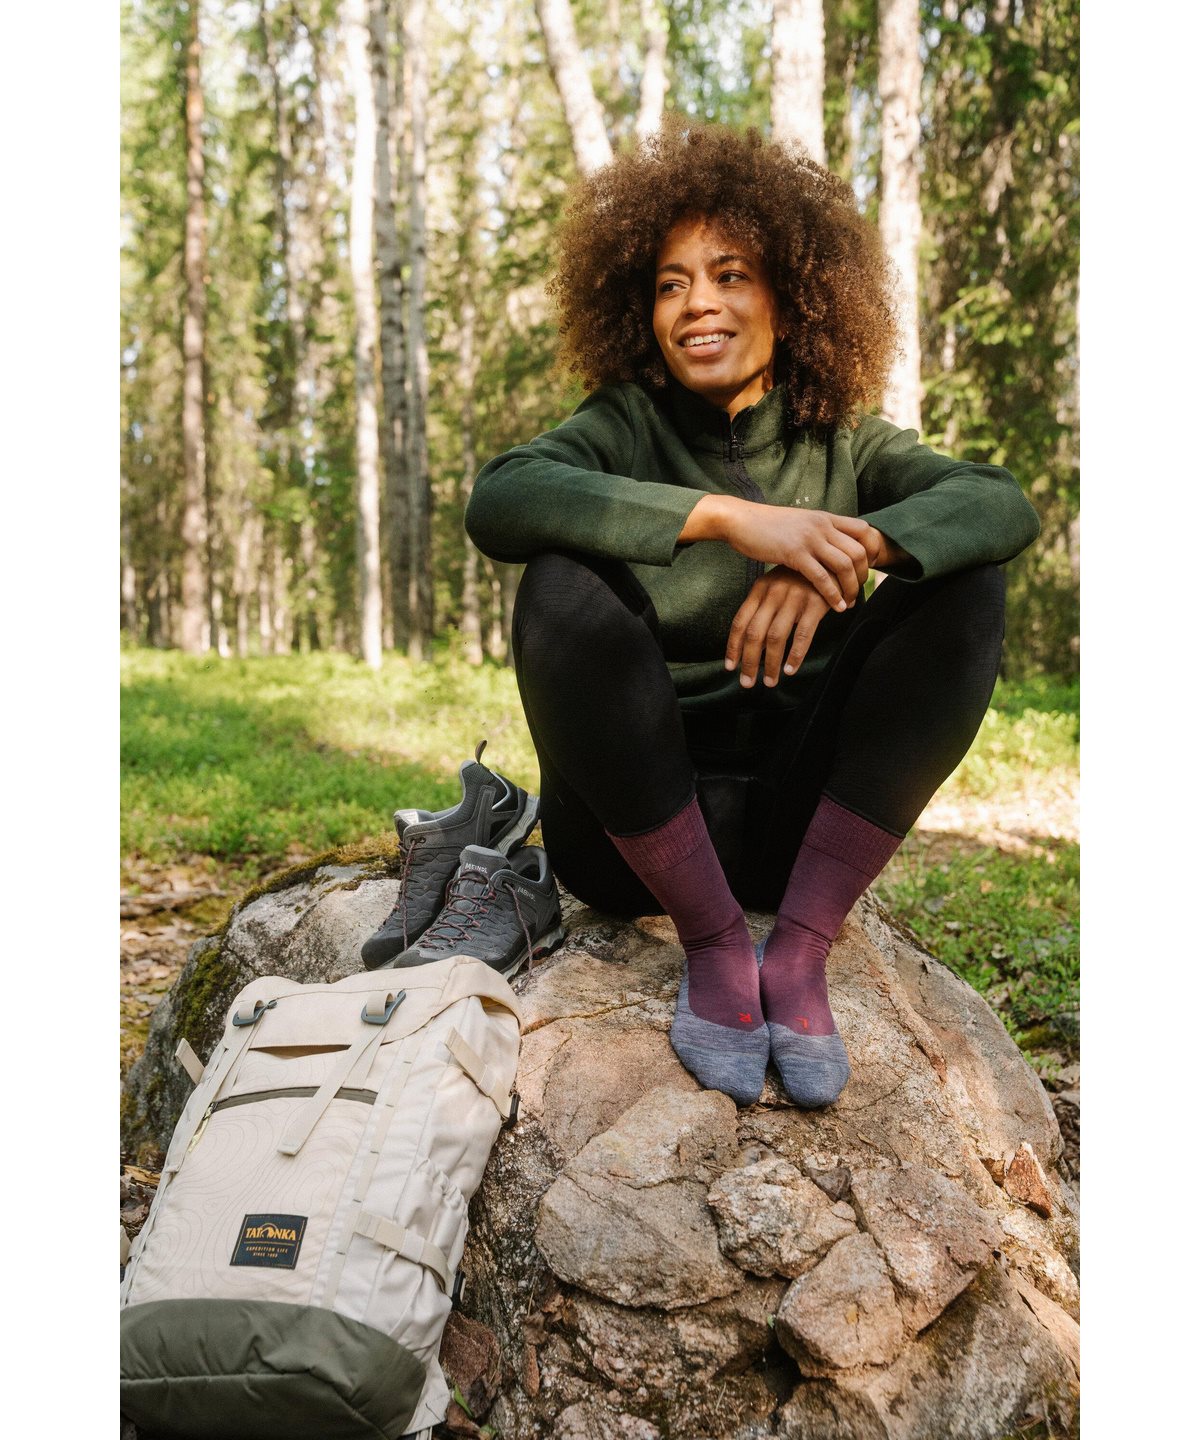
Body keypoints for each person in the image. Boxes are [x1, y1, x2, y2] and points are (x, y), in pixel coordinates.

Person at [464, 121, 1039, 1111]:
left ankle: (801, 952)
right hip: (634, 843)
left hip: (796, 832)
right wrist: (733, 520)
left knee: (965, 578)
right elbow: (502, 497)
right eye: (671, 284)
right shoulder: (624, 424)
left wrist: (841, 554)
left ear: (793, 296)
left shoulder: (845, 442)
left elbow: (998, 502)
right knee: (558, 577)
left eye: (730, 276)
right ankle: (718, 946)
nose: (698, 303)